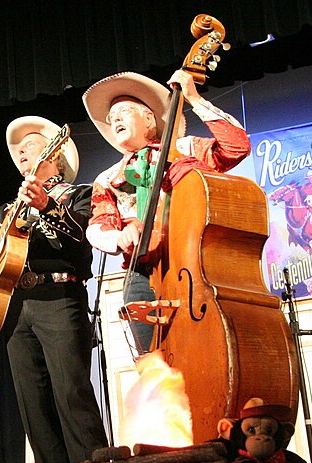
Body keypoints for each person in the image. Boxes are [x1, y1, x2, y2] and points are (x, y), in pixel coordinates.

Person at [0, 116, 108, 463]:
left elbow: (82, 240)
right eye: (20, 150)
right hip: (13, 309)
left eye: (32, 146)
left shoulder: (80, 195)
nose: (23, 153)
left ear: (55, 155)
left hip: (59, 298)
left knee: (73, 397)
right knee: (34, 409)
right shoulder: (6, 211)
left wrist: (46, 206)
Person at [82, 70, 251, 352]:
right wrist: (118, 237)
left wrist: (194, 98)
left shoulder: (182, 149)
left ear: (149, 119)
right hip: (142, 274)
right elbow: (97, 227)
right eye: (112, 119)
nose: (116, 120)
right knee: (152, 361)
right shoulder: (107, 178)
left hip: (192, 263)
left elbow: (236, 147)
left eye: (124, 111)